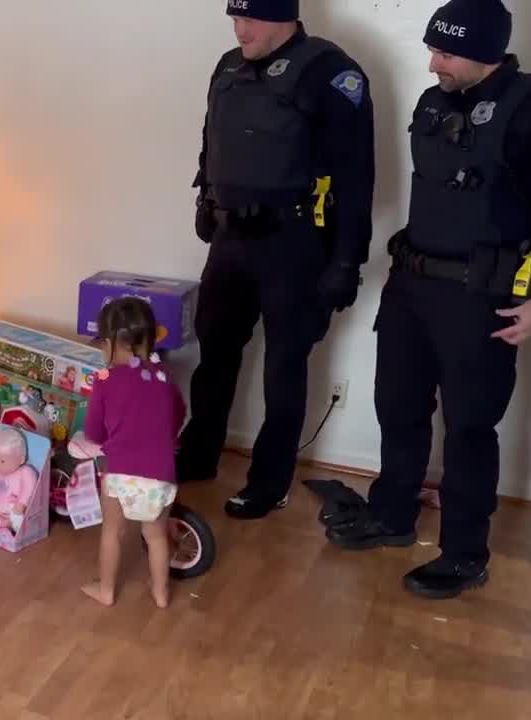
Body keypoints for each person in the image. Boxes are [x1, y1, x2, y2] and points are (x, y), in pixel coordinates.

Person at [327, 0, 531, 600]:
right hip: (412, 284)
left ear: (484, 52)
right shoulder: (434, 102)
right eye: (432, 50)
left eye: (444, 53)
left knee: (469, 427)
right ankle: (392, 515)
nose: (432, 64)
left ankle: (466, 554)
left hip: (480, 297)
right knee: (398, 406)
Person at [176, 0, 376, 520]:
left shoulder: (330, 72)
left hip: (294, 243)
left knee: (283, 368)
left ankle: (269, 482)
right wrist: (206, 201)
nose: (239, 30)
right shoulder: (227, 67)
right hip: (230, 239)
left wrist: (346, 261)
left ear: (284, 17)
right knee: (215, 353)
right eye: (234, 18)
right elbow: (210, 141)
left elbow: (357, 178)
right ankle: (198, 454)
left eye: (250, 20)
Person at [80, 298, 187, 609]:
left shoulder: (105, 381)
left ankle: (106, 591)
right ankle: (161, 593)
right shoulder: (165, 377)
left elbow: (94, 431)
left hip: (119, 473)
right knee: (156, 536)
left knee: (112, 532)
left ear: (110, 343)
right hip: (161, 475)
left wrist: (105, 438)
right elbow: (179, 415)